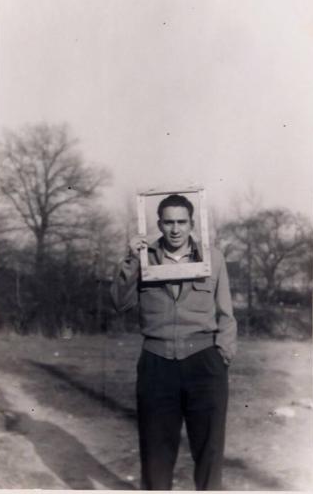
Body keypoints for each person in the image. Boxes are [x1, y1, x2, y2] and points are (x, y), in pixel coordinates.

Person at [110, 193, 237, 490]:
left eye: (182, 222)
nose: (175, 229)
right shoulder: (144, 258)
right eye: (168, 222)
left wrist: (224, 354)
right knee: (156, 452)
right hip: (157, 364)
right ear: (159, 224)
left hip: (205, 362)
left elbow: (226, 313)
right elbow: (119, 302)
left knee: (209, 452)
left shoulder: (213, 258)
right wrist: (130, 259)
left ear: (192, 223)